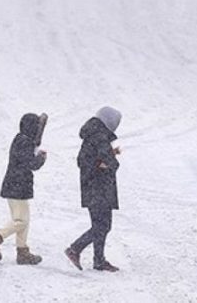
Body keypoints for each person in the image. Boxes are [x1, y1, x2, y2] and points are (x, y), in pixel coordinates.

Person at [0, 113, 47, 265]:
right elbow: (30, 164)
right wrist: (41, 158)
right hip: (17, 185)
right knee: (21, 221)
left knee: (23, 220)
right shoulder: (25, 142)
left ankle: (22, 252)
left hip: (16, 185)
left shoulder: (21, 139)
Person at [65, 106, 122, 273]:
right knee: (102, 226)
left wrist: (105, 158)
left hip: (93, 186)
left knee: (100, 225)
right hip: (99, 187)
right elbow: (110, 163)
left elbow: (86, 159)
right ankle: (75, 249)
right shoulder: (100, 136)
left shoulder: (94, 134)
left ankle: (98, 260)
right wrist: (106, 162)